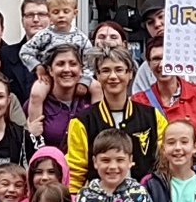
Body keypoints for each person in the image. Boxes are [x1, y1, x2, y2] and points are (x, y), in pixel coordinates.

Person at [64, 48, 158, 192]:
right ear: (98, 75)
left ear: (130, 73)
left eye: (119, 70)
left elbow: (163, 162)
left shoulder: (152, 116)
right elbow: (76, 172)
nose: (113, 76)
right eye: (106, 70)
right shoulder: (82, 121)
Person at [140, 39, 196, 135]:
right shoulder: (139, 101)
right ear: (149, 64)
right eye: (156, 59)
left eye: (168, 58)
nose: (163, 64)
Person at [27, 45, 93, 153]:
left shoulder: (89, 100)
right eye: (60, 64)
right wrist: (29, 134)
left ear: (81, 70)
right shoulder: (37, 103)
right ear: (50, 70)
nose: (67, 69)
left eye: (73, 64)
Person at [20, 0, 96, 73]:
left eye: (66, 11)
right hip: (49, 78)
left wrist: (84, 80)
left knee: (94, 86)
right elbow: (24, 52)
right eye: (56, 12)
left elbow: (90, 62)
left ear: (75, 13)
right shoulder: (44, 35)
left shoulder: (81, 38)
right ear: (49, 15)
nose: (61, 15)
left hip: (74, 78)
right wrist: (37, 66)